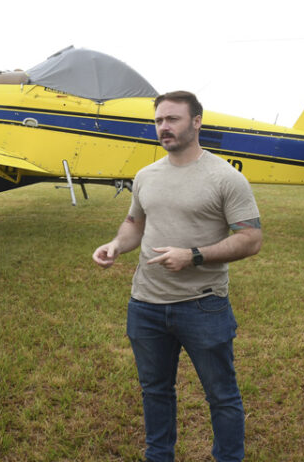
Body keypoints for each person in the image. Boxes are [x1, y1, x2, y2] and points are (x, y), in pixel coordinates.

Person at [92, 91, 262, 462]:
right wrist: (116, 245)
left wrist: (194, 256)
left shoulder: (225, 177)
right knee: (155, 391)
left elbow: (251, 239)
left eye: (173, 119)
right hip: (146, 306)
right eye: (159, 121)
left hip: (203, 305)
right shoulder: (146, 176)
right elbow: (135, 223)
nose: (164, 127)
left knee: (222, 395)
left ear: (196, 122)